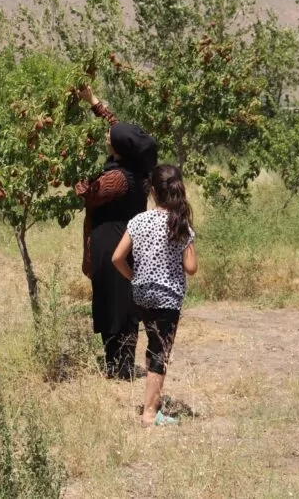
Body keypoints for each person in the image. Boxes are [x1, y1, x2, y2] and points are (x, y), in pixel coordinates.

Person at [75, 86, 158, 380]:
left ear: (119, 149)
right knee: (122, 301)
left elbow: (88, 194)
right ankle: (118, 364)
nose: (106, 137)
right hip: (128, 241)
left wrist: (72, 165)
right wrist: (93, 101)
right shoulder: (135, 163)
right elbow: (118, 128)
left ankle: (119, 367)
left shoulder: (117, 179)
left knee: (114, 304)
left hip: (112, 243)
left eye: (110, 139)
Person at [112, 164, 197, 427]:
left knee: (152, 344)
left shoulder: (138, 221)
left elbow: (117, 257)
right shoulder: (179, 223)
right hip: (167, 298)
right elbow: (191, 268)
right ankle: (149, 413)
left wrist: (133, 277)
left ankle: (154, 399)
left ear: (152, 191)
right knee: (161, 351)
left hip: (141, 295)